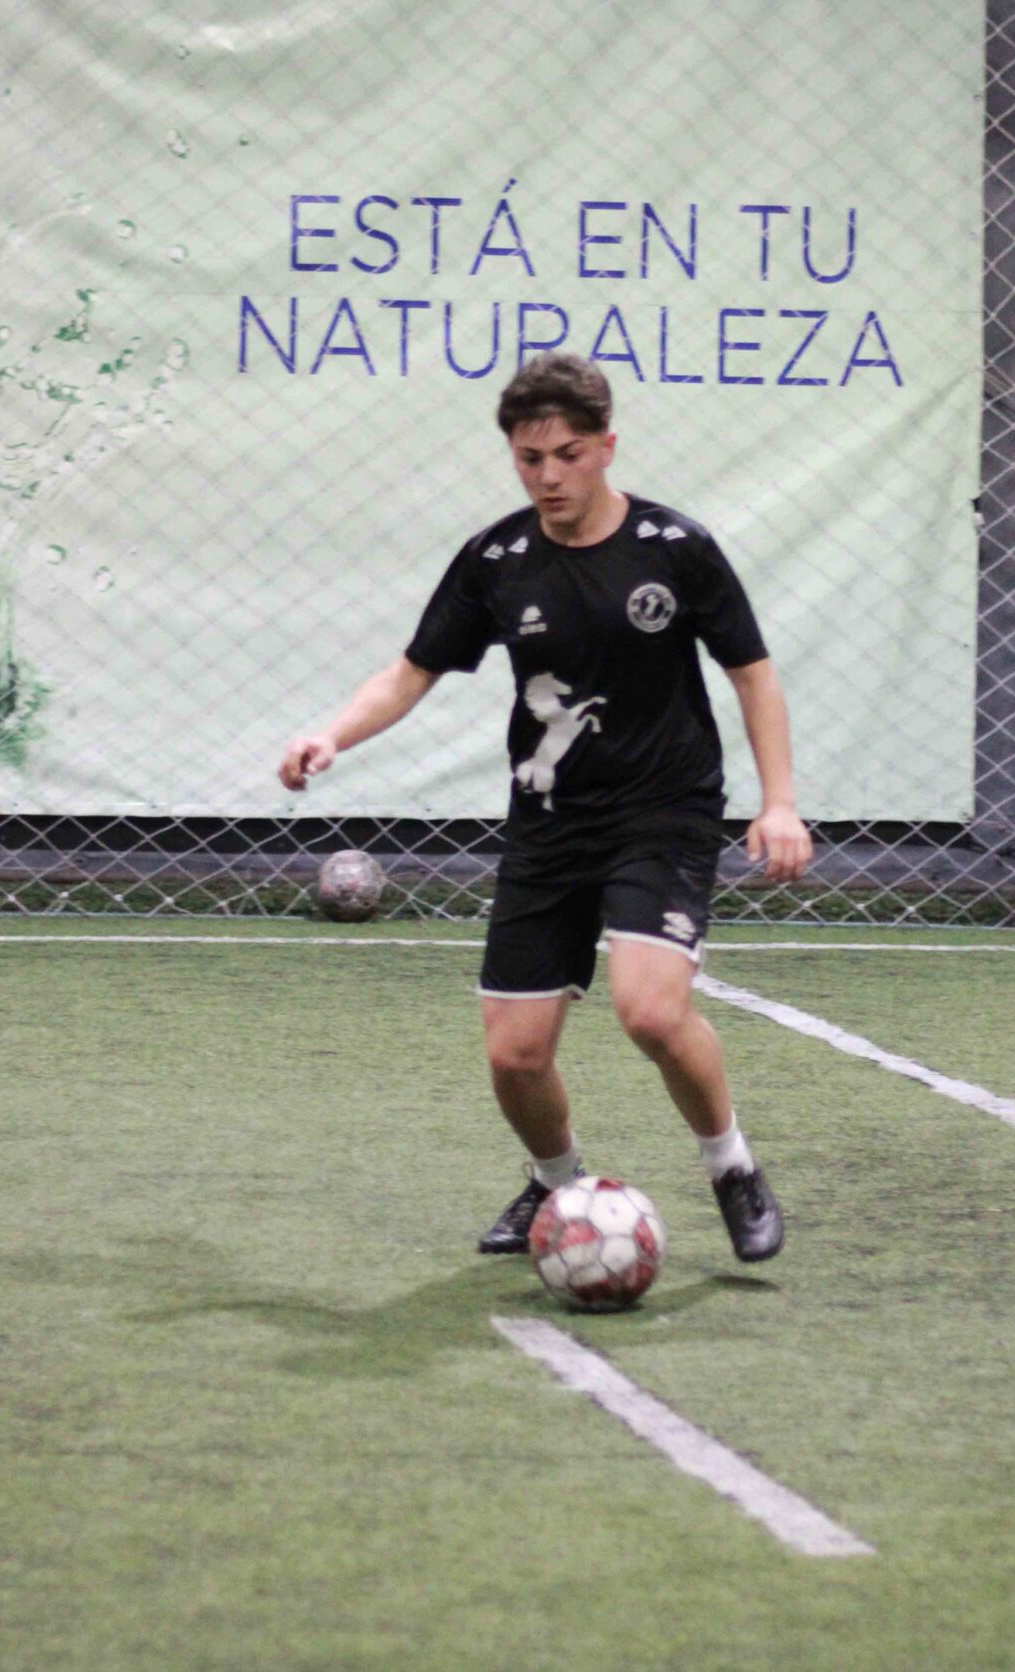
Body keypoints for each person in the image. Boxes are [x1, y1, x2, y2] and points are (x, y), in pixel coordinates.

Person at [279, 353, 812, 1261]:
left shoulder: (675, 548)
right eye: (530, 459)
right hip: (550, 823)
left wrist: (782, 803)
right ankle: (557, 1184)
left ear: (607, 447)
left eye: (567, 455)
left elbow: (753, 674)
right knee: (515, 1055)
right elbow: (410, 673)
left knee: (650, 1012)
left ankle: (731, 1165)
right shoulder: (498, 560)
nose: (549, 476)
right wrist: (332, 735)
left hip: (664, 812)